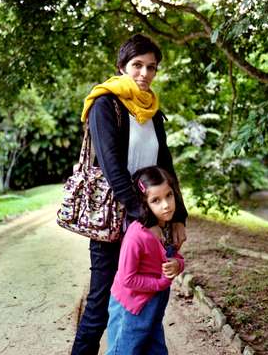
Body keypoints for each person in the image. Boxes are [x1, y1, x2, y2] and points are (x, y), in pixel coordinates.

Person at [71, 33, 188, 355]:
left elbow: (165, 167)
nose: (144, 74)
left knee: (146, 300)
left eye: (152, 67)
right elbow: (112, 169)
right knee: (101, 301)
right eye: (137, 65)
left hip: (149, 216)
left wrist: (178, 216)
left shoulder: (152, 111)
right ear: (121, 66)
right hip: (114, 219)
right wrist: (145, 218)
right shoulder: (105, 105)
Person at [106, 166, 185, 355]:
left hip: (154, 305)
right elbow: (127, 279)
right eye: (156, 200)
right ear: (144, 203)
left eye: (169, 195)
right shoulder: (137, 236)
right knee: (124, 351)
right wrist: (160, 283)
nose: (166, 205)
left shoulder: (168, 227)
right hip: (131, 306)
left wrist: (178, 264)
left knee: (156, 349)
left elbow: (174, 256)